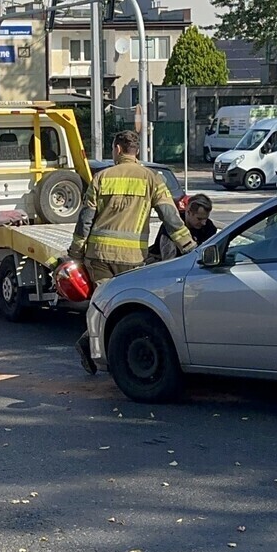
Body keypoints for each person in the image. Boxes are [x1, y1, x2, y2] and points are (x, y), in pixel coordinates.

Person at [72, 131, 194, 374]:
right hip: (132, 259)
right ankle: (117, 358)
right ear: (136, 151)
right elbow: (170, 217)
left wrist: (76, 252)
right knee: (124, 307)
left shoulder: (101, 177)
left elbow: (85, 219)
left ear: (117, 149)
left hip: (99, 255)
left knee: (103, 307)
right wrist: (189, 247)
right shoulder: (152, 178)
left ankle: (92, 346)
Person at [152, 193, 218, 262]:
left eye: (206, 219)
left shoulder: (209, 227)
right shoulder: (173, 225)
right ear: (188, 212)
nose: (204, 223)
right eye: (199, 219)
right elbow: (168, 260)